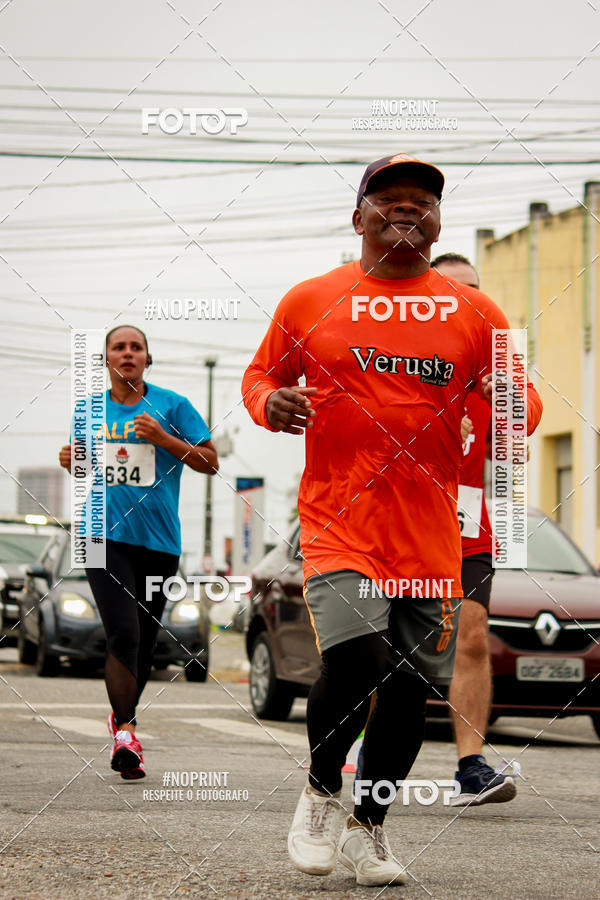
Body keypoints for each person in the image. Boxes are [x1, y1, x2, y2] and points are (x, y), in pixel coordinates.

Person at [242, 155, 542, 886]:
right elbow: (262, 378)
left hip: (430, 531)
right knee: (356, 659)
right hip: (338, 519)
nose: (406, 210)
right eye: (389, 201)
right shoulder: (312, 299)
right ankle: (319, 794)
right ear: (359, 219)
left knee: (409, 689)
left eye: (421, 203)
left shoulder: (476, 313)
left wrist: (506, 403)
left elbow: (522, 411)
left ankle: (366, 829)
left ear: (438, 223)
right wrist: (270, 405)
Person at [59, 325, 218, 779]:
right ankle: (126, 731)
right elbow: (88, 468)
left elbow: (211, 461)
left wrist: (164, 439)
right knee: (123, 635)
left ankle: (120, 716)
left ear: (148, 359)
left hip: (159, 542)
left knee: (145, 644)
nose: (127, 354)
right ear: (107, 359)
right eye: (118, 347)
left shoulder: (172, 406)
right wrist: (72, 462)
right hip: (100, 537)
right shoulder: (88, 409)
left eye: (136, 347)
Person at [432, 252, 518, 805]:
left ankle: (471, 767)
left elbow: (525, 423)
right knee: (387, 649)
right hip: (398, 523)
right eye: (454, 289)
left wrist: (500, 396)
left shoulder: (495, 366)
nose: (469, 300)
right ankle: (368, 752)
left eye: (476, 289)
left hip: (468, 526)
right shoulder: (406, 360)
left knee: (471, 637)